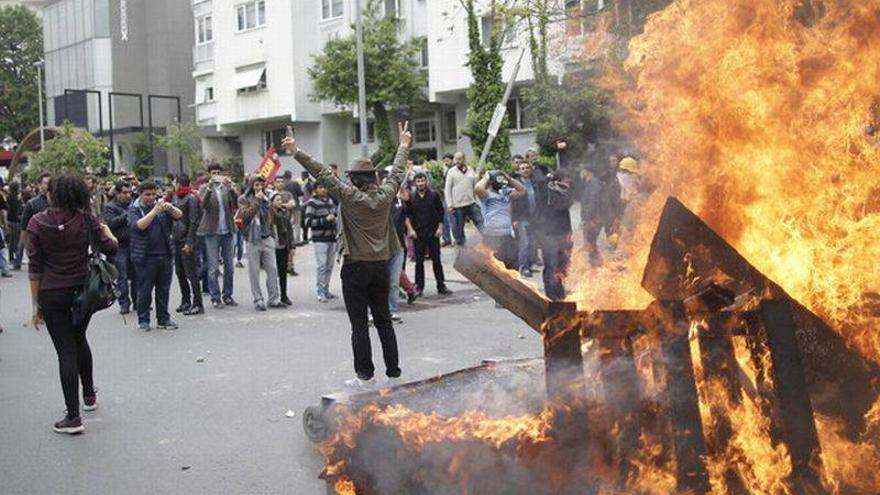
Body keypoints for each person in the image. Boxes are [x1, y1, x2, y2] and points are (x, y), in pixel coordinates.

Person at [286, 122, 412, 388]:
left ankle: (365, 376)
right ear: (374, 178)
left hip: (355, 267)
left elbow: (322, 173)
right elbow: (398, 173)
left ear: (353, 179)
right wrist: (403, 145)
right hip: (380, 266)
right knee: (384, 321)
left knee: (359, 324)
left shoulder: (349, 196)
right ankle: (394, 372)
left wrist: (296, 151)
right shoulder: (386, 195)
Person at [26, 175, 118, 434]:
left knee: (65, 350)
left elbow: (35, 268)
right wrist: (108, 231)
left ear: (53, 195)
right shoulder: (87, 219)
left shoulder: (37, 222)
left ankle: (73, 417)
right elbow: (111, 248)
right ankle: (89, 396)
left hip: (52, 292)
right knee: (79, 339)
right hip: (83, 292)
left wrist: (35, 306)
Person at [129, 181, 183, 331]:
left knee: (163, 289)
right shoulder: (135, 209)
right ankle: (143, 320)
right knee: (145, 290)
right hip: (145, 257)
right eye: (147, 194)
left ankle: (163, 319)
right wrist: (154, 212)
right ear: (141, 194)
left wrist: (169, 207)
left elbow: (179, 215)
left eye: (153, 194)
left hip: (165, 254)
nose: (151, 197)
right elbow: (138, 226)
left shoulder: (162, 206)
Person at [237, 176, 284, 311]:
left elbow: (271, 216)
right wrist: (257, 200)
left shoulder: (267, 197)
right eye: (256, 185)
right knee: (254, 271)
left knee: (272, 269)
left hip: (267, 236)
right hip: (252, 238)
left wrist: (273, 233)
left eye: (261, 185)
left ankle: (274, 298)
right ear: (251, 185)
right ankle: (258, 299)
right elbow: (245, 216)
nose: (259, 188)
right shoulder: (243, 199)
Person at [198, 164, 239, 308]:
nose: (216, 175)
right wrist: (209, 188)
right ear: (209, 174)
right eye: (213, 173)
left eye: (218, 172)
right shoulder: (204, 188)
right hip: (211, 231)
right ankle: (215, 297)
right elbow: (203, 205)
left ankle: (227, 295)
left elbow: (236, 202)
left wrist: (231, 188)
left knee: (229, 266)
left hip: (227, 230)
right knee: (213, 267)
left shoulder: (225, 187)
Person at [405, 171, 452, 297]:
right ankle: (419, 286)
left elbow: (441, 213)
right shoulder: (412, 197)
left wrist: (440, 228)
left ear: (426, 181)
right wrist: (410, 230)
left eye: (422, 180)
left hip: (433, 232)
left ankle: (441, 285)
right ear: (415, 183)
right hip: (418, 233)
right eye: (418, 181)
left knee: (436, 260)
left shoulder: (434, 195)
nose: (421, 183)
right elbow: (407, 215)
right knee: (419, 261)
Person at [535, 168, 576, 301]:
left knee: (563, 265)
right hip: (549, 234)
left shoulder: (565, 193)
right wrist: (549, 180)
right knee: (551, 265)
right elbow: (539, 184)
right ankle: (552, 294)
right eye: (566, 179)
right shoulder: (546, 191)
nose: (568, 182)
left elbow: (566, 205)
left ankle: (560, 291)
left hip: (564, 234)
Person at [475, 170, 526, 270]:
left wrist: (509, 179)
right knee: (494, 269)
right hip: (492, 237)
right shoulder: (486, 196)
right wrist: (487, 176)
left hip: (507, 235)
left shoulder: (505, 193)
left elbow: (522, 190)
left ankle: (512, 285)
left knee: (512, 267)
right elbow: (477, 188)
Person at [103, 180, 137, 314]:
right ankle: (124, 303)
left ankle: (138, 301)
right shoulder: (111, 207)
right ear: (117, 193)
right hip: (120, 246)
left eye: (129, 192)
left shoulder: (134, 204)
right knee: (122, 276)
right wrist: (127, 214)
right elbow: (111, 223)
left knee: (137, 276)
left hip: (134, 244)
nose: (128, 195)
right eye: (124, 192)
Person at [172, 174, 204, 315]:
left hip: (186, 241)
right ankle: (186, 300)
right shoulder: (175, 197)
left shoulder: (191, 199)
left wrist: (189, 241)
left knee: (191, 273)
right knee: (180, 272)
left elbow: (193, 222)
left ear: (179, 183)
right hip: (176, 239)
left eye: (175, 183)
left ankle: (198, 303)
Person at [303, 183, 338, 302]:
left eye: (325, 187)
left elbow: (336, 216)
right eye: (320, 187)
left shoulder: (330, 202)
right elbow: (307, 221)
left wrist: (335, 220)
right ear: (315, 190)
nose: (323, 189)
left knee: (329, 266)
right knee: (322, 266)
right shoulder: (312, 203)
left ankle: (326, 290)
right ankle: (320, 292)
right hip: (320, 239)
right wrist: (324, 220)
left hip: (332, 238)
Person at [444, 152, 483, 245]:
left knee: (481, 223)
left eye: (459, 158)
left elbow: (475, 186)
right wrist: (450, 205)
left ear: (464, 159)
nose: (457, 161)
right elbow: (447, 189)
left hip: (471, 203)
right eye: (455, 159)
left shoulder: (470, 170)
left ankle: (489, 242)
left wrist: (477, 200)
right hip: (458, 206)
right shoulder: (451, 172)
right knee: (459, 230)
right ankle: (462, 250)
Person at [17, 173, 52, 269]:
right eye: (46, 183)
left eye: (51, 183)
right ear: (39, 185)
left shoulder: (59, 202)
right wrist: (29, 248)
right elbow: (24, 228)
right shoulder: (32, 204)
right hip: (38, 247)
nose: (49, 185)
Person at [511, 157, 538, 277]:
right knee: (524, 243)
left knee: (533, 243)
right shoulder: (515, 183)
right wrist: (514, 219)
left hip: (534, 218)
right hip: (521, 218)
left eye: (527, 168)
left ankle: (530, 265)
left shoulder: (534, 182)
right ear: (519, 170)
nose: (525, 170)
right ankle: (524, 267)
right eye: (522, 168)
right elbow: (511, 202)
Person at [271, 191, 295, 306]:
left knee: (283, 272)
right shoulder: (270, 213)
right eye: (277, 200)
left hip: (283, 245)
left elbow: (289, 230)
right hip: (271, 246)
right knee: (272, 273)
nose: (280, 202)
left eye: (281, 200)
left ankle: (284, 295)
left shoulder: (285, 213)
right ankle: (274, 296)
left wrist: (292, 246)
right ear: (271, 202)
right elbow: (274, 217)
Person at [6, 182, 22, 269]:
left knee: (11, 241)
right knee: (16, 240)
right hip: (15, 221)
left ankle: (11, 257)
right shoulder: (15, 198)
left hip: (9, 220)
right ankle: (15, 258)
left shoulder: (9, 197)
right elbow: (16, 211)